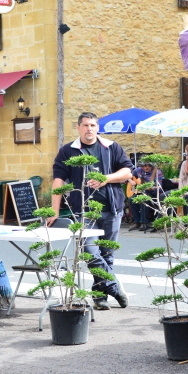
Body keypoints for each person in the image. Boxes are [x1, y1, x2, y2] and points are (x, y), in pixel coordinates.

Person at [48, 112, 132, 310]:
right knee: (90, 253)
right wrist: (54, 210)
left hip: (112, 209)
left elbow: (127, 172)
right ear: (78, 128)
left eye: (93, 125)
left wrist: (106, 178)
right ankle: (115, 287)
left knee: (107, 254)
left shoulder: (111, 147)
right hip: (83, 212)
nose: (89, 129)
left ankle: (100, 297)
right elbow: (59, 180)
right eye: (85, 125)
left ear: (97, 127)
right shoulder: (68, 151)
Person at [128, 162, 163, 232]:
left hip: (153, 194)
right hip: (141, 192)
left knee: (144, 200)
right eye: (144, 166)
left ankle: (144, 223)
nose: (145, 168)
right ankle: (137, 222)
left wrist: (152, 188)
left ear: (151, 165)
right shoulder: (138, 170)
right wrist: (131, 181)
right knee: (131, 199)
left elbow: (159, 187)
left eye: (148, 166)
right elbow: (127, 176)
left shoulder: (157, 172)